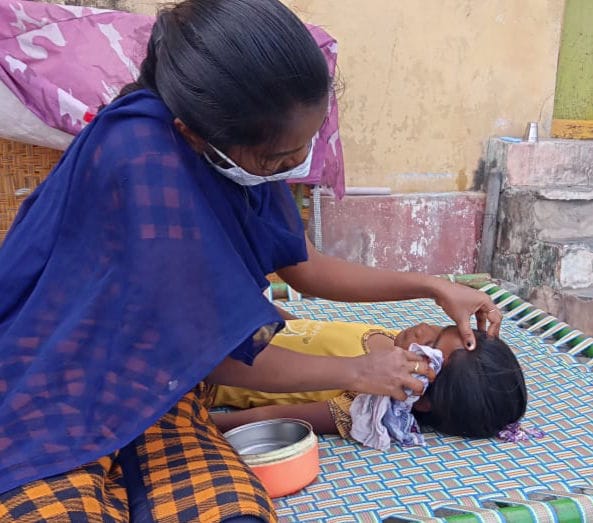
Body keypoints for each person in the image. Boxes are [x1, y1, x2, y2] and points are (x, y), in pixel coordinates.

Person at [0, 0, 502, 520]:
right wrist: (357, 370)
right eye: (279, 161)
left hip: (156, 386)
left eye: (301, 152)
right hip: (50, 384)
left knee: (234, 513)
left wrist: (432, 286)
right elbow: (212, 350)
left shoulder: (239, 151)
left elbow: (300, 264)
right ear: (195, 134)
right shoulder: (141, 162)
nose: (292, 167)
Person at [211, 320, 527, 442]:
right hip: (238, 328)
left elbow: (266, 418)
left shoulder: (361, 406)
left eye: (428, 348)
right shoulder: (393, 345)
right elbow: (305, 330)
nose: (422, 330)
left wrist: (203, 424)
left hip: (211, 371)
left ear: (422, 395)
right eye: (440, 327)